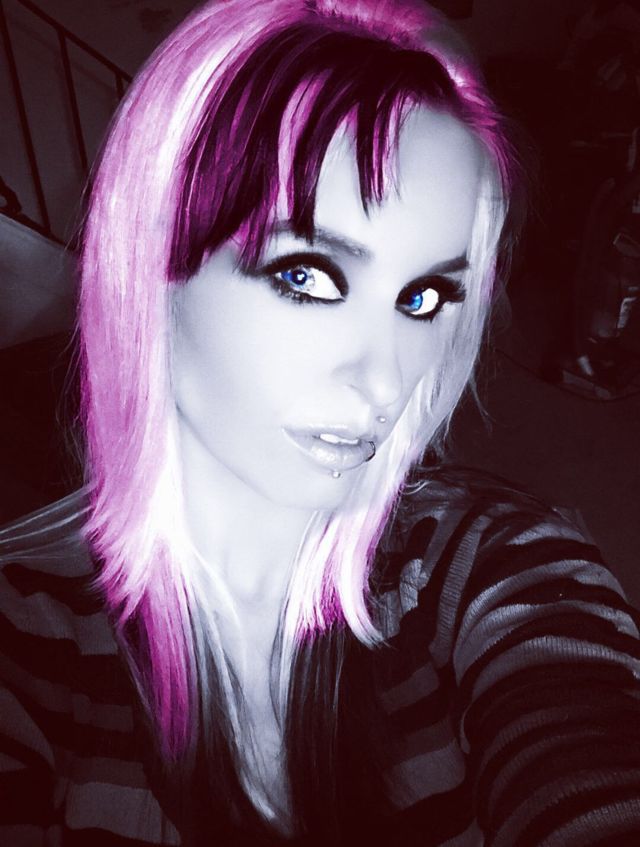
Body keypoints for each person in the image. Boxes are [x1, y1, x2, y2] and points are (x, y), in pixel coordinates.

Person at [1, 1, 640, 844]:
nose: (385, 379)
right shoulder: (24, 647)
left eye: (425, 297)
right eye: (306, 275)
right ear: (149, 267)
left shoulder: (497, 562)